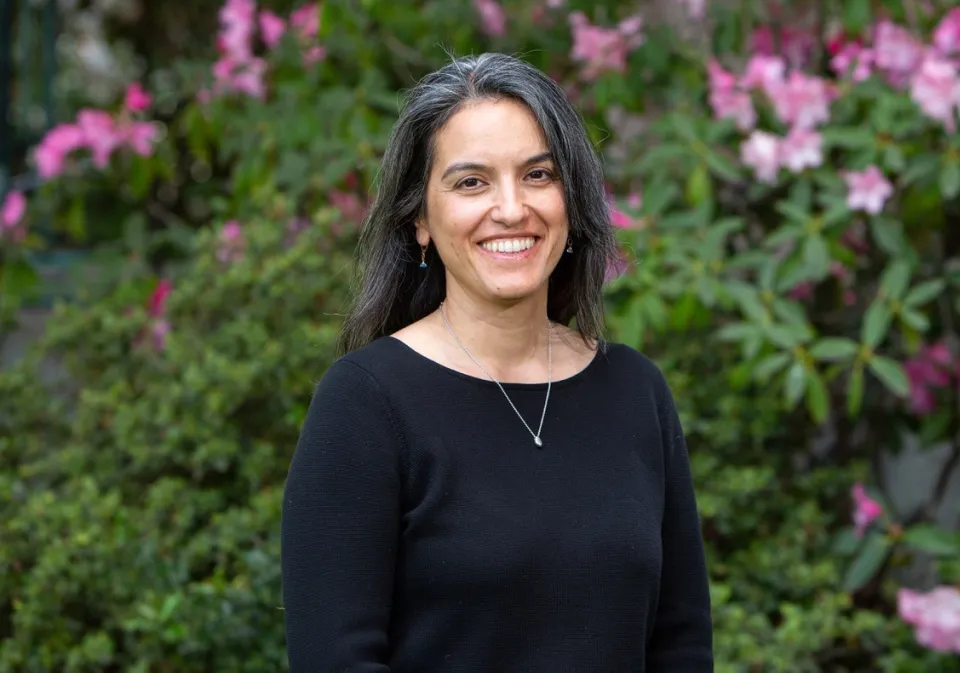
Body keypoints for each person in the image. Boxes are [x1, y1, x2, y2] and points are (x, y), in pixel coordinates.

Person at [280, 52, 712, 672]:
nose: (511, 208)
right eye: (471, 182)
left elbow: (682, 646)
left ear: (571, 197)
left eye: (538, 174)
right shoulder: (366, 403)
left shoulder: (635, 390)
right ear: (420, 219)